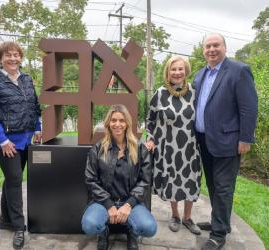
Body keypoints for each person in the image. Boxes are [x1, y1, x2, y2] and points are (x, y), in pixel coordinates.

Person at [194, 33, 258, 250]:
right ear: (203, 50)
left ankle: (218, 234)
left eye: (216, 45)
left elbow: (249, 107)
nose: (211, 49)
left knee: (223, 187)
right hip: (204, 140)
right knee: (212, 184)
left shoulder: (239, 71)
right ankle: (218, 221)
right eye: (207, 46)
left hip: (228, 141)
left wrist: (246, 138)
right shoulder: (199, 75)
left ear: (225, 47)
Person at [0, 41, 41, 250]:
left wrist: (38, 128)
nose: (13, 59)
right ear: (0, 58)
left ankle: (5, 219)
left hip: (26, 138)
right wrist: (2, 140)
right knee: (14, 179)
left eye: (16, 55)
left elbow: (34, 106)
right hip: (5, 141)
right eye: (8, 55)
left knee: (11, 178)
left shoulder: (26, 79)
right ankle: (18, 226)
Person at [81, 104, 157, 250]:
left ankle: (132, 232)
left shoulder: (140, 148)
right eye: (113, 120)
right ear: (108, 123)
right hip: (102, 202)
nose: (117, 124)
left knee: (149, 228)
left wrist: (129, 205)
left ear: (127, 123)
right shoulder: (98, 149)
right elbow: (90, 179)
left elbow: (145, 181)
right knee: (89, 225)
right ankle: (103, 232)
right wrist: (108, 204)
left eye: (122, 120)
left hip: (130, 201)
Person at [145, 56, 202, 235]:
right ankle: (175, 216)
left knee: (190, 180)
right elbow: (150, 119)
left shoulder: (194, 92)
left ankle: (188, 217)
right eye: (173, 69)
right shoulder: (160, 93)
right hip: (167, 148)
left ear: (186, 71)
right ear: (167, 72)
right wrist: (150, 138)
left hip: (190, 147)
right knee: (172, 181)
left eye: (180, 69)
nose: (177, 73)